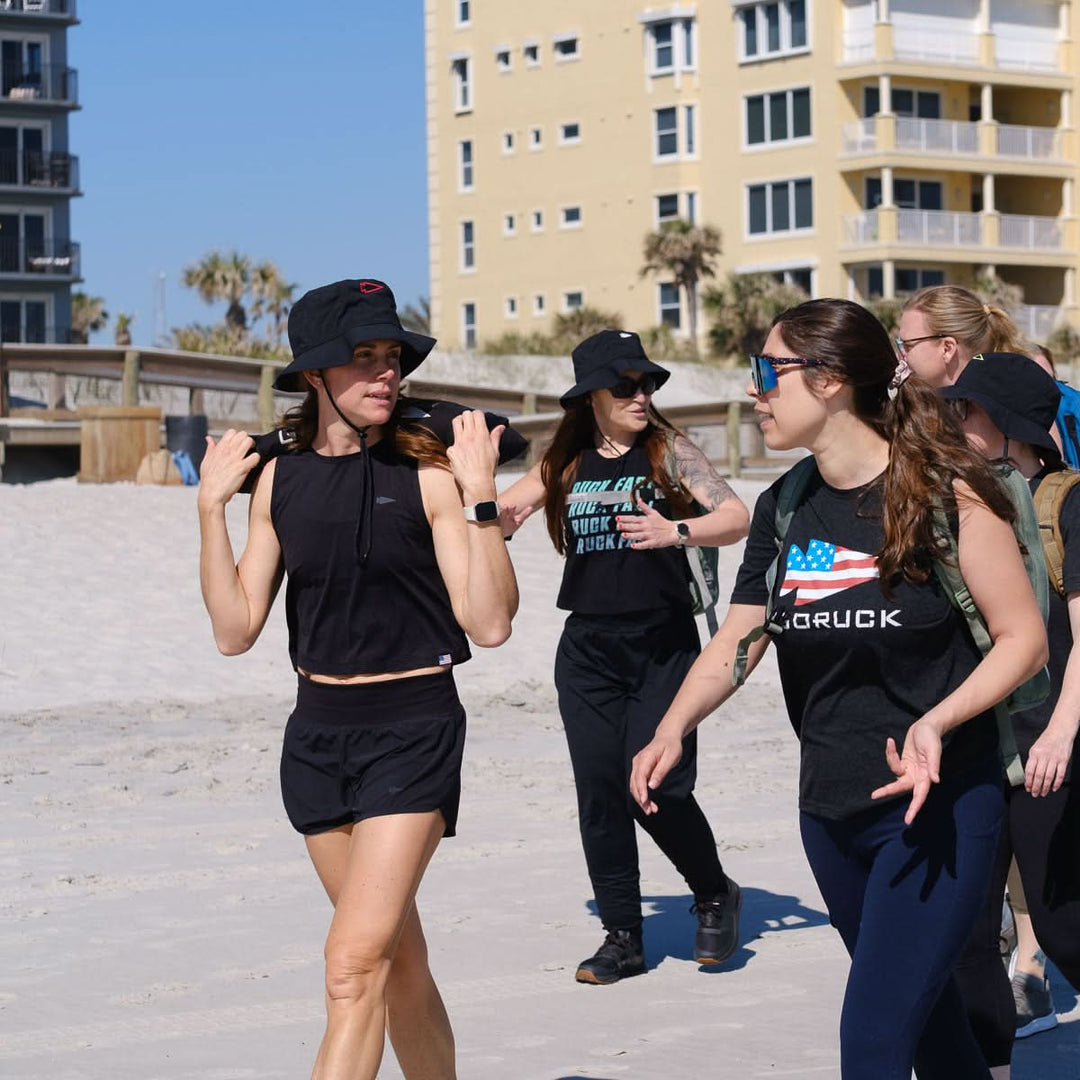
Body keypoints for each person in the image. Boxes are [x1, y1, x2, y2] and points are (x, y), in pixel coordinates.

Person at [630, 299, 1048, 1079]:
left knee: (874, 1042)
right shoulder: (784, 507)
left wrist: (937, 721)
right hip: (829, 811)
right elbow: (739, 637)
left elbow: (1024, 639)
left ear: (827, 381)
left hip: (940, 809)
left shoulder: (948, 493)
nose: (755, 392)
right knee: (928, 1029)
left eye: (767, 371)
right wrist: (672, 726)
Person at [197, 278, 519, 1080]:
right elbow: (236, 629)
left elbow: (489, 622)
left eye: (392, 358)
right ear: (315, 375)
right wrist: (210, 511)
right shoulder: (279, 478)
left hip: (413, 729)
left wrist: (482, 496)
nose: (386, 374)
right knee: (395, 962)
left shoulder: (430, 473)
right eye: (363, 358)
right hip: (315, 739)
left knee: (350, 966)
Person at [499, 329, 750, 984]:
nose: (641, 395)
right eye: (626, 386)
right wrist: (483, 509)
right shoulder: (568, 461)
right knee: (602, 792)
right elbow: (501, 511)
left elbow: (736, 516)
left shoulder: (668, 451)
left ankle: (714, 891)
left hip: (664, 644)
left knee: (657, 787)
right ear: (592, 397)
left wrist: (677, 530)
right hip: (587, 649)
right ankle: (622, 936)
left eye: (648, 384)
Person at [937, 353, 1080, 1077]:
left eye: (971, 409)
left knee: (1060, 924)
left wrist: (1062, 730)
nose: (958, 419)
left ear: (1010, 422)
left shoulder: (1067, 502)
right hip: (974, 746)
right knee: (967, 934)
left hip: (1049, 745)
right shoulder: (961, 498)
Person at [896, 284, 1026, 389]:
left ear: (947, 348)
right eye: (899, 343)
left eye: (906, 345)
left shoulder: (986, 418)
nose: (899, 355)